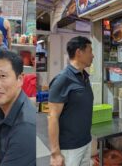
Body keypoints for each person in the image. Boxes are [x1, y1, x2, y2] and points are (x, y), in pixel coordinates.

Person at [48, 36, 94, 166]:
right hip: (69, 148)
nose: (93, 55)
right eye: (90, 51)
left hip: (86, 142)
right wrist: (55, 153)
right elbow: (52, 117)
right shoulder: (63, 79)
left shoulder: (84, 77)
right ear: (79, 52)